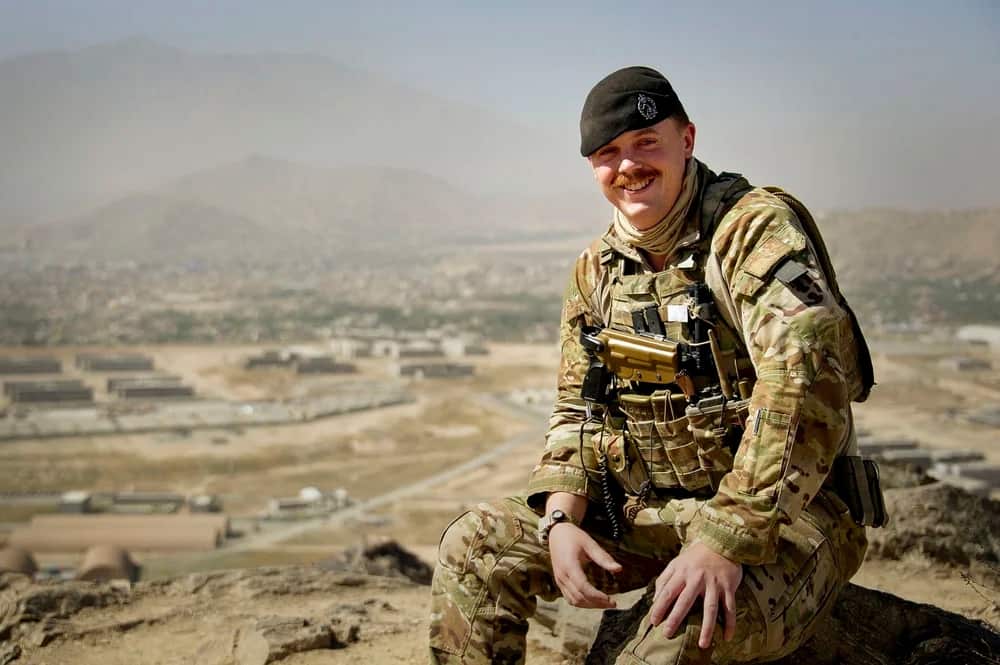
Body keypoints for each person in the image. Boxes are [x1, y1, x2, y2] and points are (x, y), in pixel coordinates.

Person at [429, 66, 875, 665]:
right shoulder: (598, 270)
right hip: (655, 513)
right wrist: (560, 519)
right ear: (593, 167)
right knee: (475, 547)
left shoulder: (749, 229)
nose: (629, 166)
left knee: (654, 650)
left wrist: (727, 537)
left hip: (786, 522)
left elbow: (806, 375)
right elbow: (578, 410)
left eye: (647, 143)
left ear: (686, 140)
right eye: (609, 153)